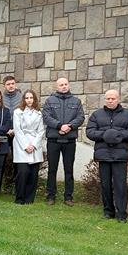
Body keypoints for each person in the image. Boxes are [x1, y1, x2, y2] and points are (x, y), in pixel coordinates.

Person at [85, 89, 128, 222]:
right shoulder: (97, 115)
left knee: (120, 185)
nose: (110, 101)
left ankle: (122, 214)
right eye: (108, 99)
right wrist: (105, 135)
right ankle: (108, 211)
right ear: (105, 100)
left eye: (113, 98)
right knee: (105, 185)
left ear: (118, 99)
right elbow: (90, 132)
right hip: (103, 155)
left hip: (120, 156)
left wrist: (117, 135)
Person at [42, 77, 85, 206]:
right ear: (57, 87)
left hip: (69, 140)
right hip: (53, 140)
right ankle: (51, 196)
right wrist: (60, 126)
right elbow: (46, 117)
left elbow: (80, 117)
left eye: (66, 84)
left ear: (69, 85)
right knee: (52, 169)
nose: (64, 86)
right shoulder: (49, 101)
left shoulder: (76, 101)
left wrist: (69, 127)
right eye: (61, 85)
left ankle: (68, 197)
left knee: (69, 169)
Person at [11, 90, 45, 205]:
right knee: (23, 172)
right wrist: (26, 146)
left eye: (31, 98)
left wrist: (34, 145)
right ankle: (19, 198)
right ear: (23, 99)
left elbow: (41, 131)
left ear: (34, 99)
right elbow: (17, 130)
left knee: (33, 173)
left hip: (35, 143)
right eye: (27, 98)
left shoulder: (39, 113)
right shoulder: (18, 112)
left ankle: (29, 199)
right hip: (21, 143)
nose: (29, 100)